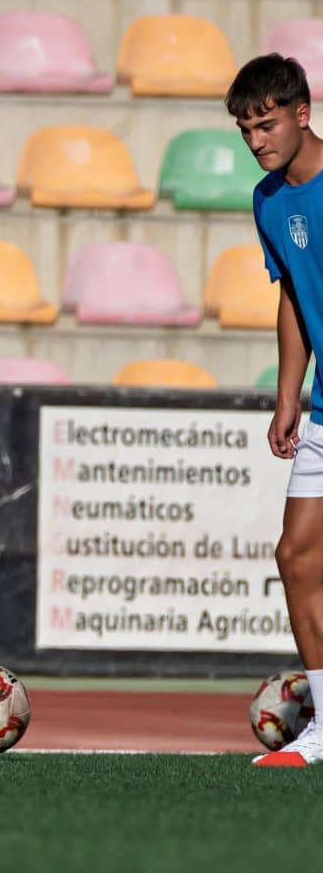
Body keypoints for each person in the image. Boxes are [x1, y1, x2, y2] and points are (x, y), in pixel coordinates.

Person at [229, 54, 323, 767]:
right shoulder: (268, 201)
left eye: (266, 124)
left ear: (302, 112)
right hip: (320, 409)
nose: (257, 140)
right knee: (295, 554)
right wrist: (288, 393)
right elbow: (291, 294)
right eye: (246, 129)